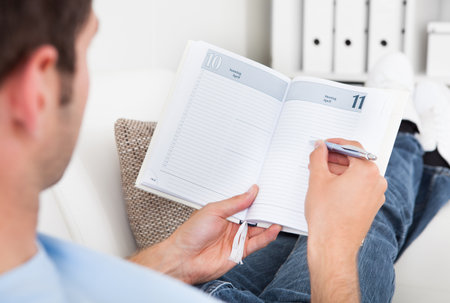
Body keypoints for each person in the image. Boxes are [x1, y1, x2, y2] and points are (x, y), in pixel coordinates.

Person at [0, 1, 448, 302]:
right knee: (369, 220)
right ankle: (408, 135)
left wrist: (173, 258)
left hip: (208, 287)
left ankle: (411, 139)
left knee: (307, 225)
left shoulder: (30, 272)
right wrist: (335, 248)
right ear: (34, 90)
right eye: (87, 50)